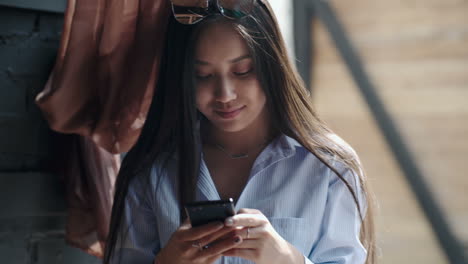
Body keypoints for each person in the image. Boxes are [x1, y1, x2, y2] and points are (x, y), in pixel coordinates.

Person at [104, 0, 376, 263]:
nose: (225, 94)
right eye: (203, 75)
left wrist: (288, 260)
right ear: (181, 78)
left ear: (272, 65)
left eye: (243, 70)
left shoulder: (329, 166)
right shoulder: (152, 169)